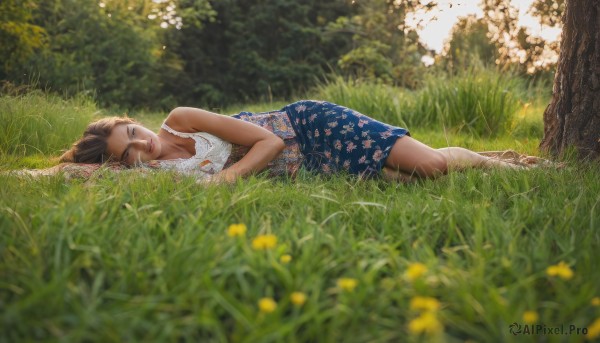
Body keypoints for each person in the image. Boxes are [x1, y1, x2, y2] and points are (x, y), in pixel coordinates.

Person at [58, 100, 524, 183]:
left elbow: (268, 144)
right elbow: (76, 173)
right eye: (128, 153)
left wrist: (229, 179)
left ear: (138, 123)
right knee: (406, 178)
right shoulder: (145, 174)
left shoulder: (179, 121)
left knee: (431, 167)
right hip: (310, 169)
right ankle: (493, 157)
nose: (142, 147)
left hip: (309, 128)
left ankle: (509, 167)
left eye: (134, 134)